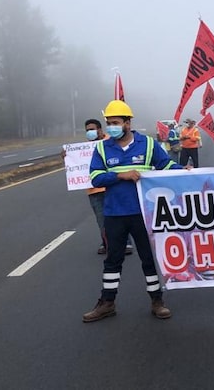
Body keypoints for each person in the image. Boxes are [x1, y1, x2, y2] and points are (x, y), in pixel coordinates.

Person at [82, 100, 184, 323]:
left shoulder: (147, 144)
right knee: (113, 259)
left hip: (144, 213)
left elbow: (165, 165)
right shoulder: (102, 148)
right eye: (109, 123)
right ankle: (107, 302)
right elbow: (96, 177)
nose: (111, 127)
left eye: (116, 123)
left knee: (148, 258)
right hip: (114, 212)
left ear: (128, 123)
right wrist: (120, 175)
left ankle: (157, 301)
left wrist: (184, 171)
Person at [62, 119, 134, 256]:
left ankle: (125, 242)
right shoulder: (82, 148)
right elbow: (77, 165)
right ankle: (107, 243)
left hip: (112, 186)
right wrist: (67, 157)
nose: (90, 132)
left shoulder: (111, 142)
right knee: (101, 220)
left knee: (120, 216)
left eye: (92, 129)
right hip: (94, 190)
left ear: (100, 130)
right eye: (87, 130)